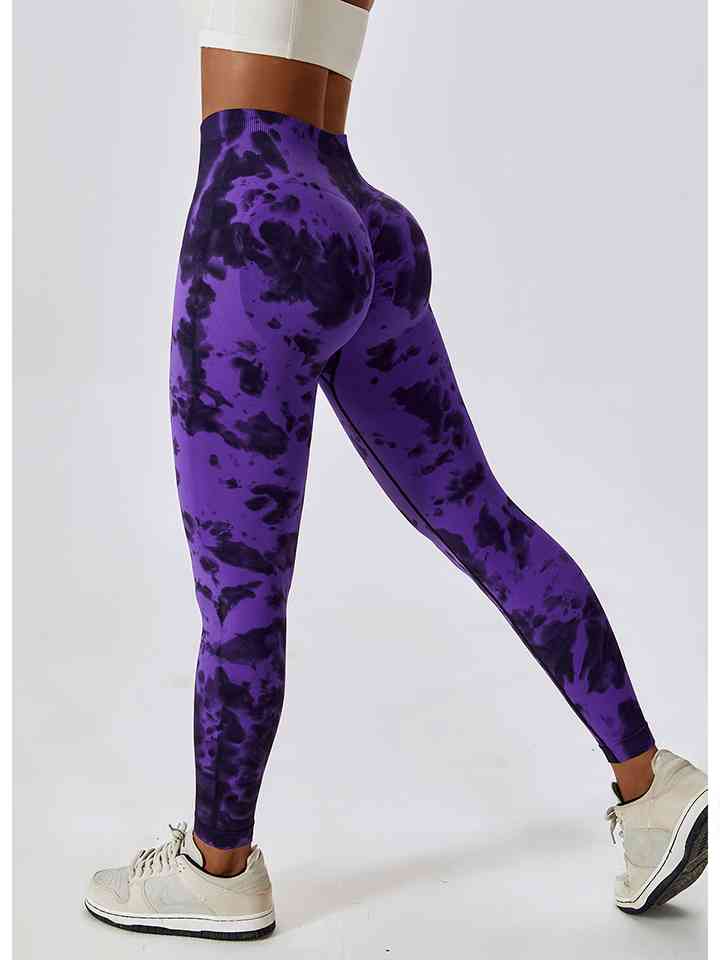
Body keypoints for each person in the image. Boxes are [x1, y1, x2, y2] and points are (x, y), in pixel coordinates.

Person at [84, 0, 707, 940]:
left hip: (255, 221)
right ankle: (651, 784)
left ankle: (217, 867)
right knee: (480, 513)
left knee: (241, 587)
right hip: (362, 218)